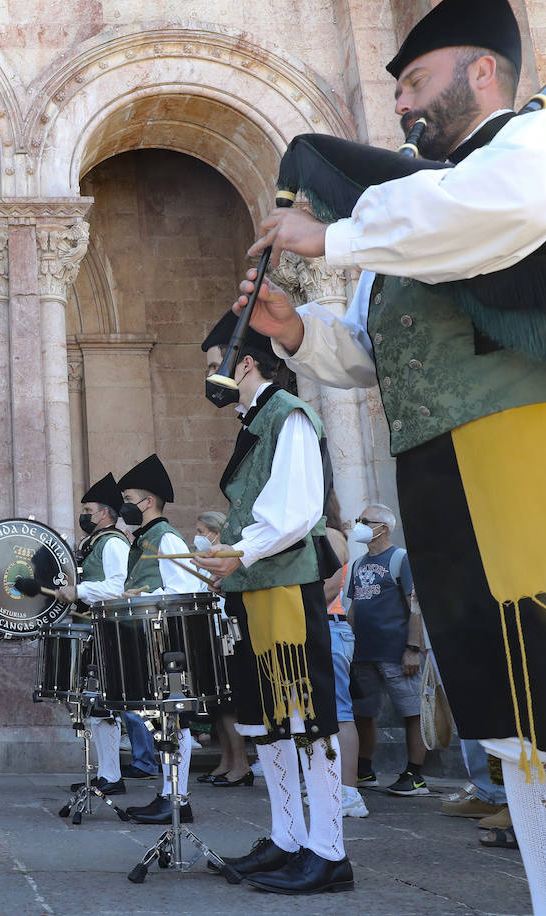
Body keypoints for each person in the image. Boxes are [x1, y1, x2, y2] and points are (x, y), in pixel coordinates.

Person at [234, 0, 546, 889]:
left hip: (524, 460)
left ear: (482, 70)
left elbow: (505, 211)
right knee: (516, 721)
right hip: (442, 473)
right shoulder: (419, 202)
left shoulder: (528, 148)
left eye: (415, 80)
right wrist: (295, 328)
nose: (403, 102)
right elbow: (372, 353)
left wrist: (332, 232)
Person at [195, 314, 348, 895]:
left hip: (284, 585)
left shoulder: (289, 416)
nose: (212, 377)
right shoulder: (256, 421)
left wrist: (238, 552)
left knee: (305, 718)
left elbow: (297, 511)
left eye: (216, 365)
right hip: (256, 587)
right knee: (270, 721)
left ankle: (329, 849)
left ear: (246, 363)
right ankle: (288, 838)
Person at [116, 454, 206, 825]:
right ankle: (167, 794)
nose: (124, 507)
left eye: (129, 499)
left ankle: (178, 799)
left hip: (167, 642)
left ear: (147, 502)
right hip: (152, 639)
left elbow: (184, 590)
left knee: (176, 722)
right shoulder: (146, 538)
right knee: (164, 723)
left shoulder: (166, 537)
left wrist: (138, 598)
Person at [54, 473, 129, 794]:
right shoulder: (96, 542)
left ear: (104, 513)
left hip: (108, 630)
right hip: (94, 630)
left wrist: (79, 590)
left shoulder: (113, 543)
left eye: (88, 509)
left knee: (105, 707)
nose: (83, 514)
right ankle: (107, 774)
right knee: (96, 708)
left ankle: (113, 777)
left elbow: (118, 586)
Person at [345, 504, 426, 797]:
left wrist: (413, 648)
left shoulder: (401, 558)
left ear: (384, 527)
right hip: (364, 653)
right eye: (359, 520)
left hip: (396, 652)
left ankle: (415, 775)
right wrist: (348, 646)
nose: (359, 525)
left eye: (365, 521)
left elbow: (415, 606)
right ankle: (364, 770)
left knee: (412, 712)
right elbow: (355, 608)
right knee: (363, 713)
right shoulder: (358, 564)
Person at [190, 509, 251, 788]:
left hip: (227, 631)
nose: (198, 537)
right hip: (212, 631)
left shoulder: (227, 557)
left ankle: (241, 765)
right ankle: (226, 761)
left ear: (216, 533)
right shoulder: (209, 559)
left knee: (230, 706)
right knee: (218, 706)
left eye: (202, 532)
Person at [321, 498, 367, 819]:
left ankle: (349, 792)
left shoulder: (331, 535)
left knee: (340, 711)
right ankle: (331, 784)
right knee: (327, 712)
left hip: (330, 628)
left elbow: (330, 587)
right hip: (322, 629)